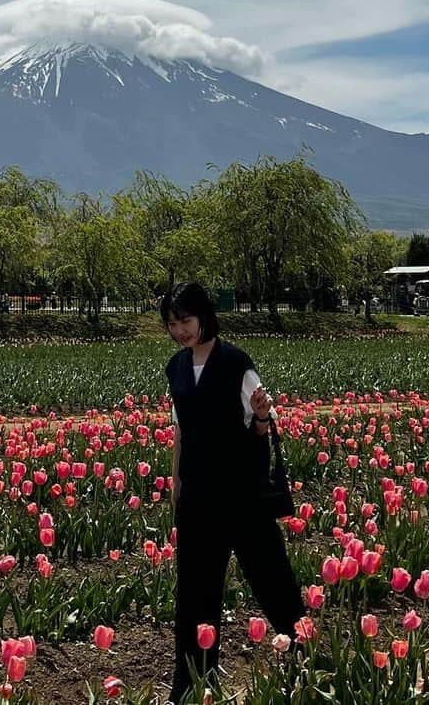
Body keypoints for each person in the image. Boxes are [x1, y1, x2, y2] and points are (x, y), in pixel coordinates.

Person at [162, 281, 303, 703]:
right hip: (198, 498)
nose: (180, 331)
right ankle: (192, 685)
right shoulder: (176, 368)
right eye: (172, 324)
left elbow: (262, 428)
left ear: (204, 315)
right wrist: (176, 483)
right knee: (194, 593)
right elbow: (180, 431)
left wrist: (260, 419)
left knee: (270, 577)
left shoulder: (236, 363)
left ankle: (303, 653)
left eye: (185, 320)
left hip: (241, 496)